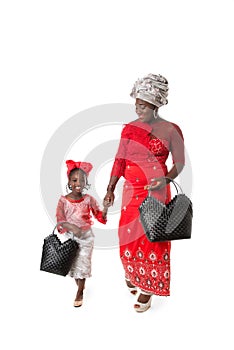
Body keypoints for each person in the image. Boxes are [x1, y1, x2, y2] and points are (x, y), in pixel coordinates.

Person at [103, 73, 185, 312]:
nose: (138, 108)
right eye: (137, 103)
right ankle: (133, 271)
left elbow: (179, 163)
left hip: (156, 192)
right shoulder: (129, 129)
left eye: (144, 105)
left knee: (152, 237)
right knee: (126, 236)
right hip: (131, 192)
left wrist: (165, 179)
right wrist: (110, 189)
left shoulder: (171, 130)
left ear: (156, 105)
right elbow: (119, 160)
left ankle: (148, 287)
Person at [56, 160, 108, 307]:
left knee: (83, 263)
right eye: (74, 180)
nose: (78, 183)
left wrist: (105, 208)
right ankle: (80, 285)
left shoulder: (88, 199)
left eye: (82, 180)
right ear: (69, 182)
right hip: (70, 238)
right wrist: (71, 227)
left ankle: (80, 292)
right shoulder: (63, 201)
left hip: (85, 237)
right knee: (73, 265)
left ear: (86, 183)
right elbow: (60, 220)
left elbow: (99, 215)